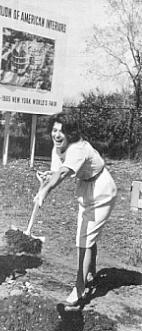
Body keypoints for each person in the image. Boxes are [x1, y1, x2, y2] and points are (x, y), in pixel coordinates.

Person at [34, 112, 117, 306]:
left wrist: (45, 191)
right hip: (86, 188)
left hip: (101, 189)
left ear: (71, 133)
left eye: (62, 131)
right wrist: (47, 178)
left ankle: (79, 288)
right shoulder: (58, 148)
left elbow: (63, 173)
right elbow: (56, 171)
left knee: (84, 240)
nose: (57, 135)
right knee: (85, 235)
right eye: (54, 130)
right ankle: (91, 273)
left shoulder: (78, 148)